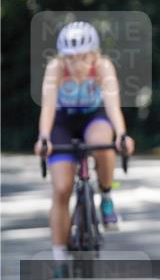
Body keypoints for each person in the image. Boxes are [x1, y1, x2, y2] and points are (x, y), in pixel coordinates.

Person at [33, 21, 135, 264]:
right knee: (61, 188)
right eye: (70, 58)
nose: (76, 64)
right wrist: (44, 138)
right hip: (62, 122)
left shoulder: (103, 67)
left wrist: (122, 135)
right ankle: (59, 257)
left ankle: (107, 197)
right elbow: (47, 106)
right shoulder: (55, 69)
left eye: (82, 57)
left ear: (93, 54)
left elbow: (112, 106)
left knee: (102, 142)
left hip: (93, 117)